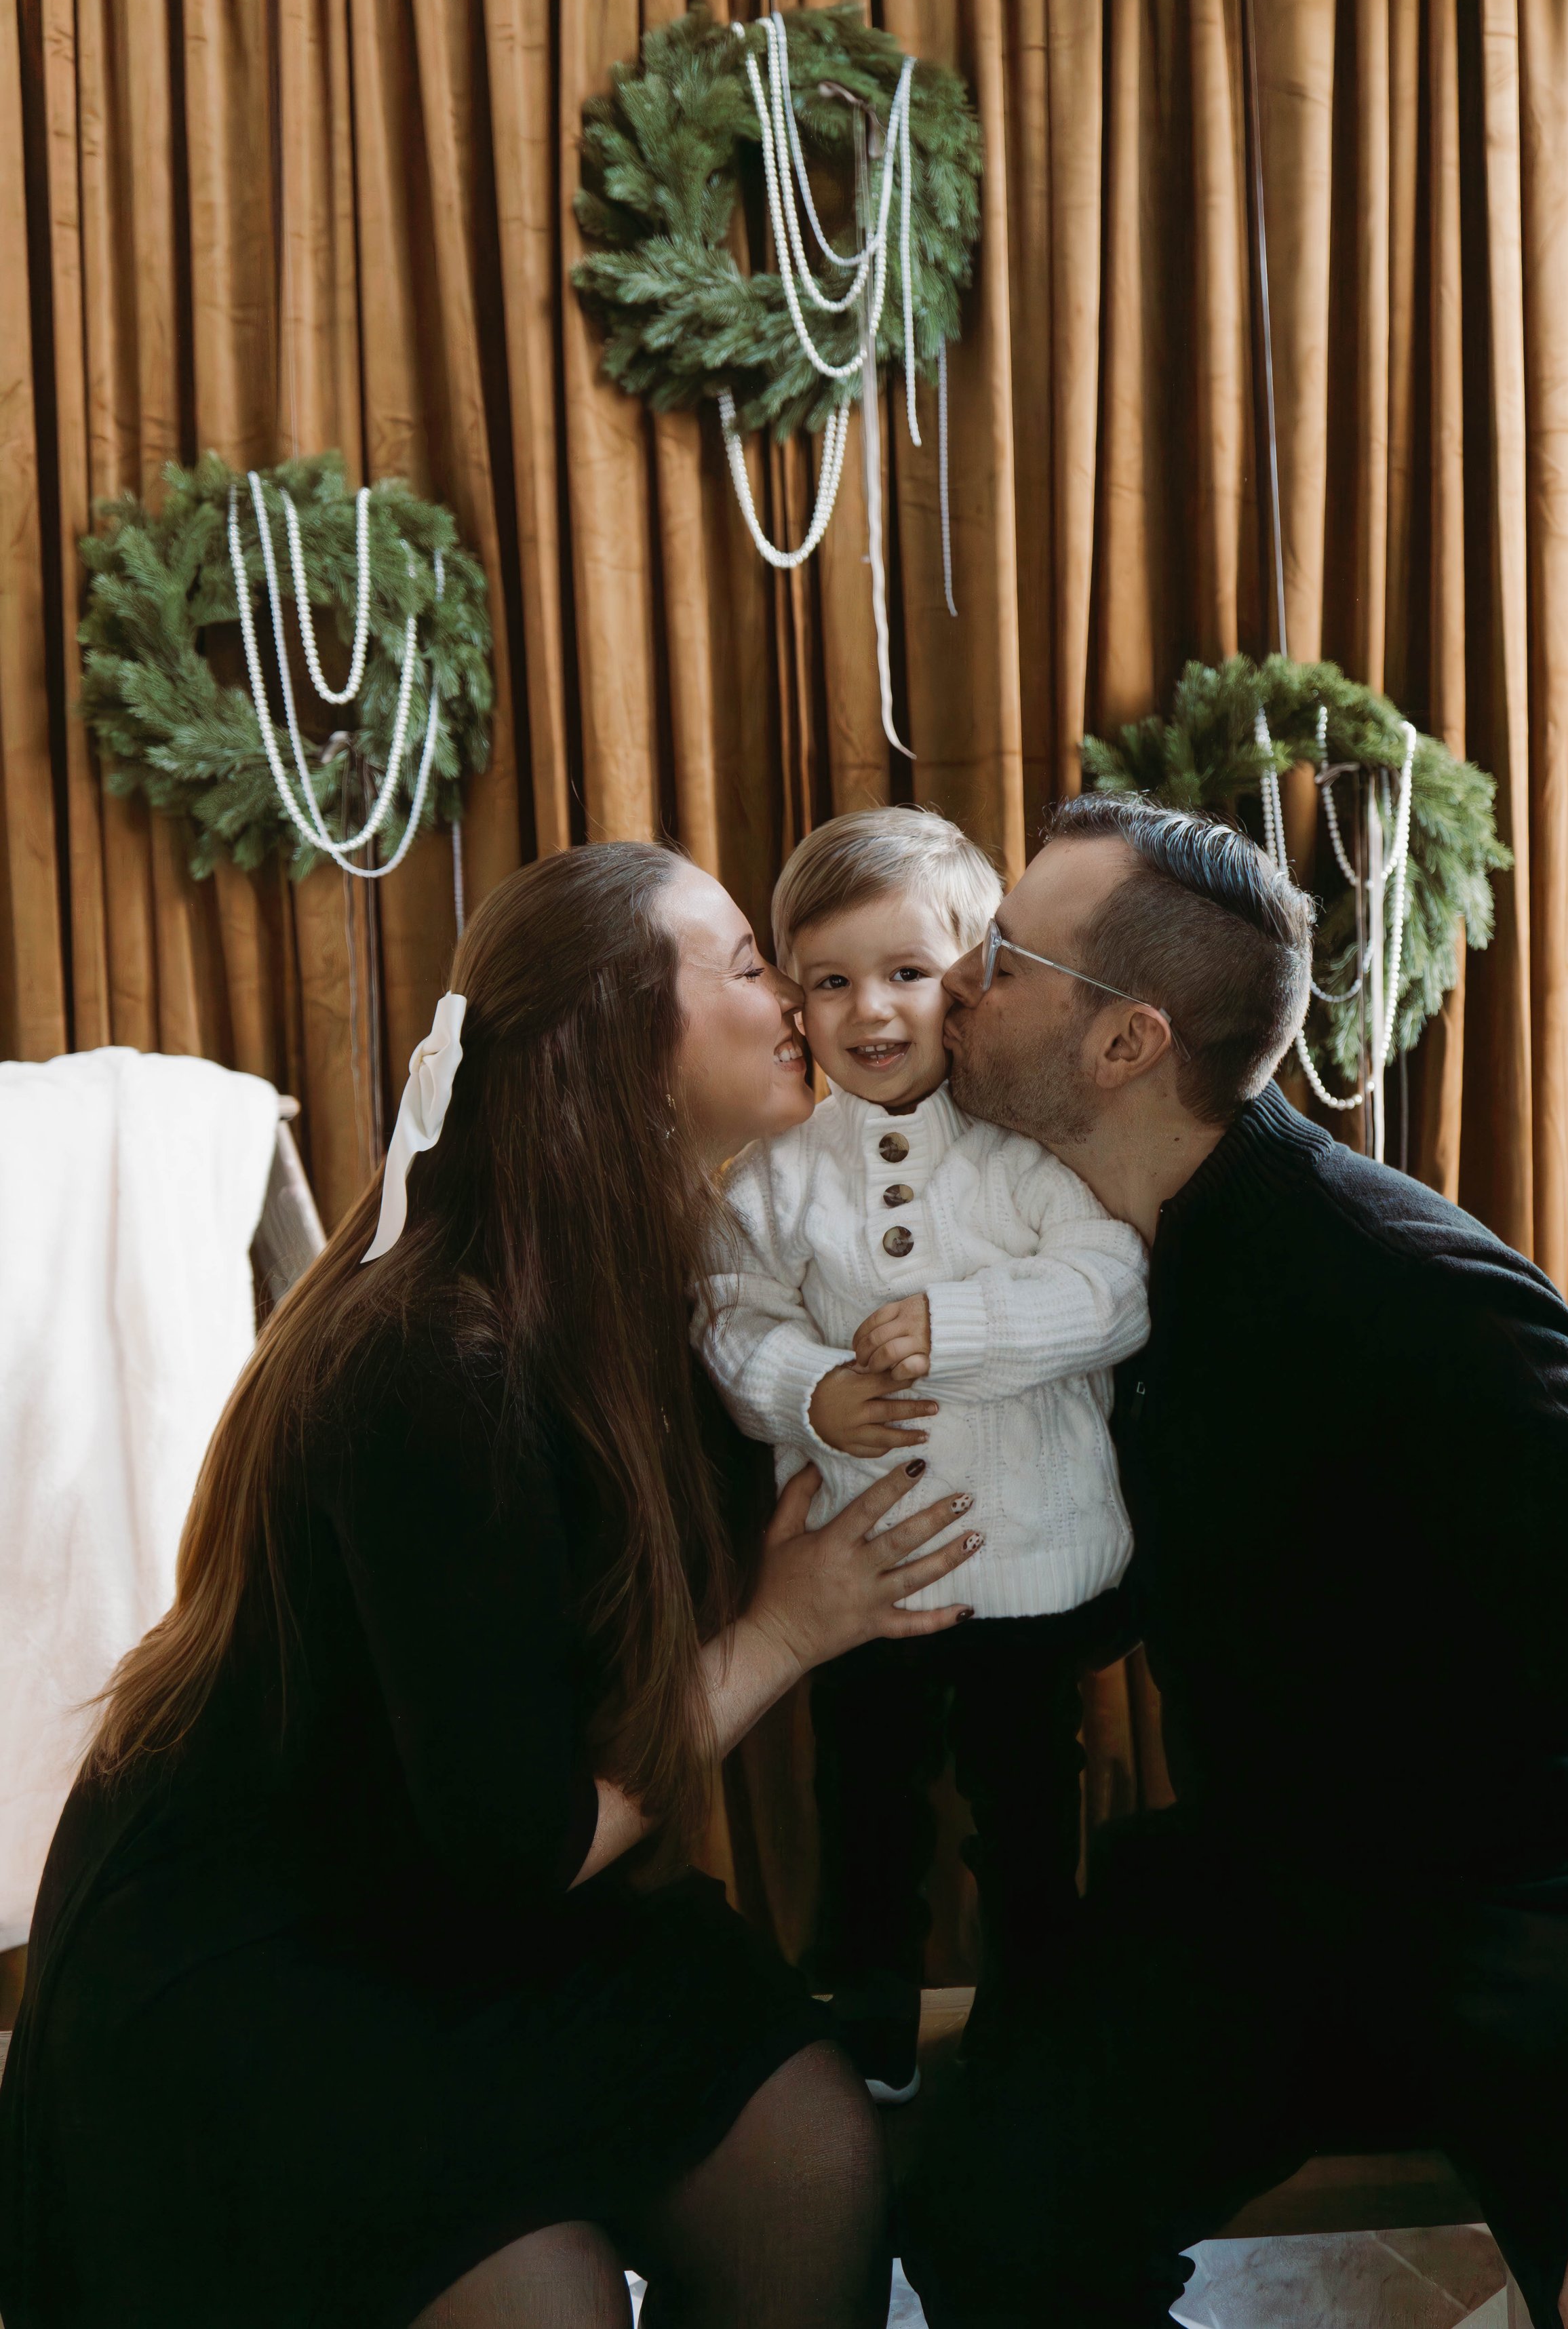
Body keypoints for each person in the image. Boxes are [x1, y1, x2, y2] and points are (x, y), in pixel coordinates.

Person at [0, 841, 981, 2329]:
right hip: (275, 1952)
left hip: (500, 1914)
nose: (788, 993)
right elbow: (515, 1841)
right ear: (616, 1040)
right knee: (544, 2296)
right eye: (739, 963)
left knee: (810, 2147)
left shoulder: (673, 1279)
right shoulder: (434, 1363)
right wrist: (788, 1628)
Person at [902, 794, 1568, 2329]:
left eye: (996, 957)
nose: (953, 981)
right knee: (988, 2222)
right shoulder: (1068, 1255)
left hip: (1525, 1897)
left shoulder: (1414, 1294)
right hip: (1272, 1880)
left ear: (1126, 1044)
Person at [697, 808, 1148, 2104]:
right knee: (868, 1801)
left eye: (905, 973)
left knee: (1025, 1804)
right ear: (794, 999)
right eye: (830, 982)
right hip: (866, 1571)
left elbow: (1111, 1286)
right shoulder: (776, 1179)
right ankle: (869, 2006)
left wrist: (959, 1328)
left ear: (972, 978)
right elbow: (732, 1315)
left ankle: (1036, 2008)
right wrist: (809, 1387)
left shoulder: (1027, 1149)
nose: (870, 1010)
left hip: (1034, 1561)